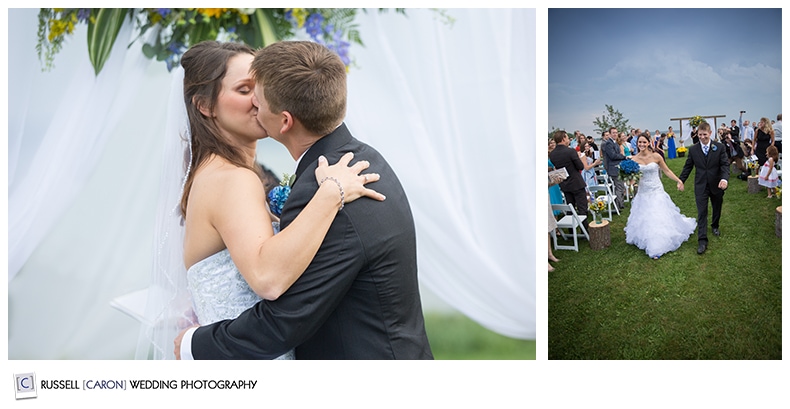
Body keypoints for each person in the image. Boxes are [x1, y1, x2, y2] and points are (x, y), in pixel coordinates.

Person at [176, 41, 433, 359]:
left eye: (260, 89)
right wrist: (331, 193)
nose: (257, 100)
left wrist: (195, 345)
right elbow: (269, 281)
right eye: (245, 89)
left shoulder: (323, 174)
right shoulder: (348, 168)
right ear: (205, 106)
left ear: (284, 120)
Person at [624, 134, 696, 259]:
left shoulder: (656, 156)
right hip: (643, 192)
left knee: (657, 215)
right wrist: (627, 179)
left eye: (644, 142)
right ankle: (648, 240)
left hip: (656, 190)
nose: (641, 144)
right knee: (646, 216)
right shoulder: (634, 160)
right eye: (639, 142)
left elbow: (666, 170)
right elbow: (633, 180)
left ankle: (658, 244)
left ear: (648, 143)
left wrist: (679, 180)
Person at [679, 121, 730, 255]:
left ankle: (715, 226)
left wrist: (724, 179)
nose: (702, 137)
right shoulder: (693, 149)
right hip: (701, 185)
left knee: (717, 206)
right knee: (702, 212)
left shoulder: (719, 148)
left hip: (717, 183)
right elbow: (688, 166)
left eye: (705, 135)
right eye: (700, 135)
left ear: (710, 133)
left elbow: (725, 164)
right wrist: (681, 180)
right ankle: (702, 240)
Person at [549, 130, 589, 229]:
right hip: (576, 183)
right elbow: (580, 166)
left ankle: (571, 230)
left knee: (570, 207)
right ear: (563, 138)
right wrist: (578, 158)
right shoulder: (570, 151)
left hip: (564, 183)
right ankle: (584, 230)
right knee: (582, 208)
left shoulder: (552, 154)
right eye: (567, 137)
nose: (568, 140)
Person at [601, 127, 627, 209]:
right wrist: (623, 157)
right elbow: (612, 156)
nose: (615, 134)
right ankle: (618, 205)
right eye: (613, 133)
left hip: (618, 167)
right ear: (610, 134)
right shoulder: (608, 143)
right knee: (619, 187)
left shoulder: (615, 142)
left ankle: (620, 204)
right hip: (613, 168)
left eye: (616, 132)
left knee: (621, 186)